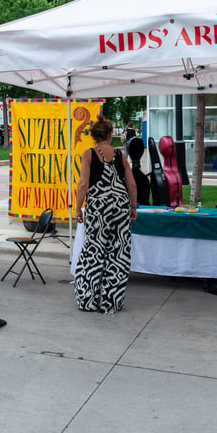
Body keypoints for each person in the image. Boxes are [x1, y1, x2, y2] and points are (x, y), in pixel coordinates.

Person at [73, 115, 137, 313]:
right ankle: (111, 301)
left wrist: (77, 208)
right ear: (110, 135)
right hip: (119, 207)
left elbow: (83, 184)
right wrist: (133, 207)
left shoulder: (89, 154)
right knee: (117, 253)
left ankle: (88, 300)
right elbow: (132, 184)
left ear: (94, 136)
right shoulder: (120, 155)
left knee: (94, 250)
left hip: (98, 209)